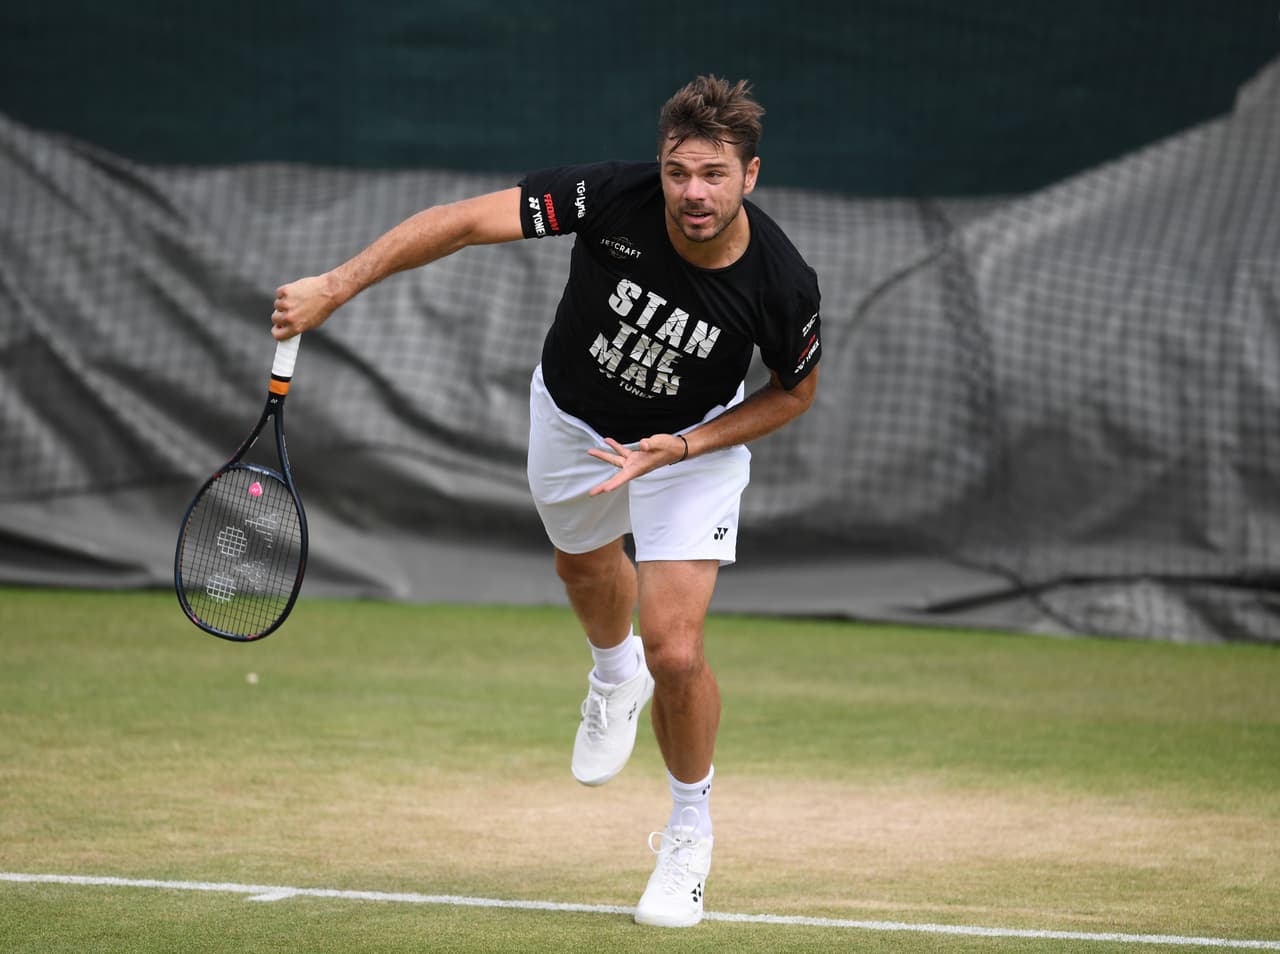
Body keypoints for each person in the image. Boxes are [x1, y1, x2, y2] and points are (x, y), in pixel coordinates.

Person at [270, 75, 821, 928]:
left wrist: (681, 447)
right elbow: (459, 223)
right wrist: (336, 286)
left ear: (751, 176)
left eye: (714, 174)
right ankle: (611, 675)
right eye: (679, 172)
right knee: (581, 563)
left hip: (688, 450)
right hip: (571, 423)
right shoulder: (609, 196)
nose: (693, 193)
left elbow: (793, 393)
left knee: (676, 649)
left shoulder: (782, 282)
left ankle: (688, 831)